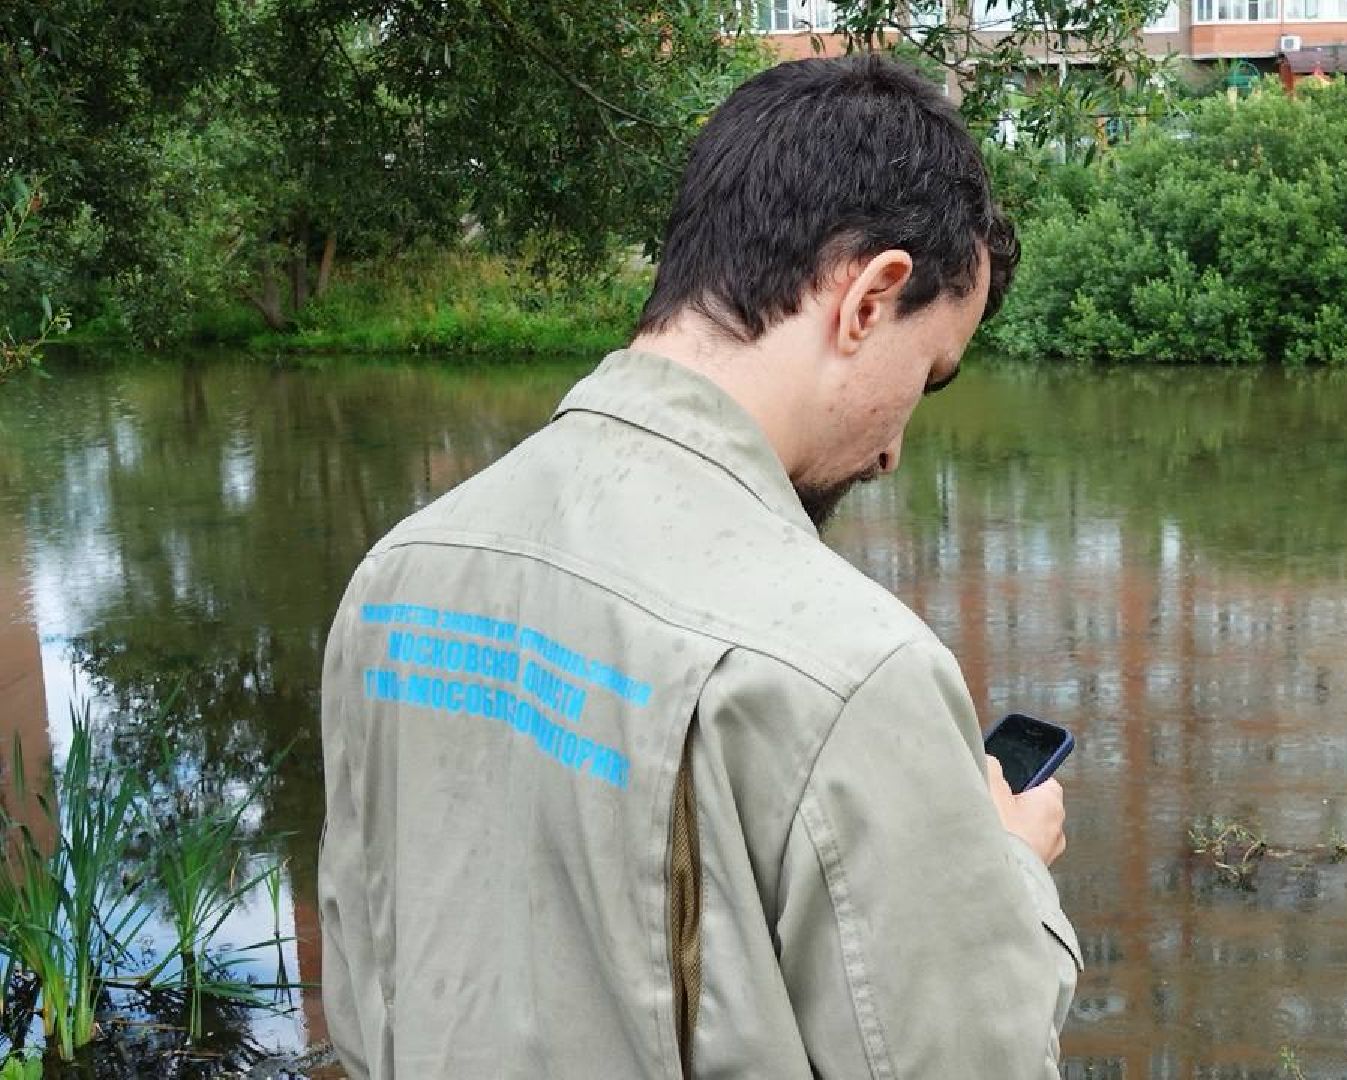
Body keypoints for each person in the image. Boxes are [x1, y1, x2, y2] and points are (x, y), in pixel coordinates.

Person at [317, 56, 1080, 1079]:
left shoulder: (395, 580)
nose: (899, 447)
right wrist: (1008, 876)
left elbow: (365, 1007)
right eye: (930, 375)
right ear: (870, 299)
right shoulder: (849, 674)